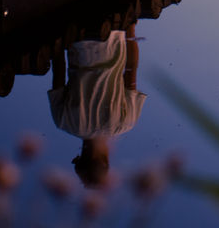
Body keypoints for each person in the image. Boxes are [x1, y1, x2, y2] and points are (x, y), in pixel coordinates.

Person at [48, 25, 147, 188]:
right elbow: (58, 69)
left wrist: (130, 28)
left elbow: (131, 69)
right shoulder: (63, 122)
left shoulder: (126, 123)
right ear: (80, 158)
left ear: (106, 160)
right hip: (76, 38)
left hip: (114, 31)